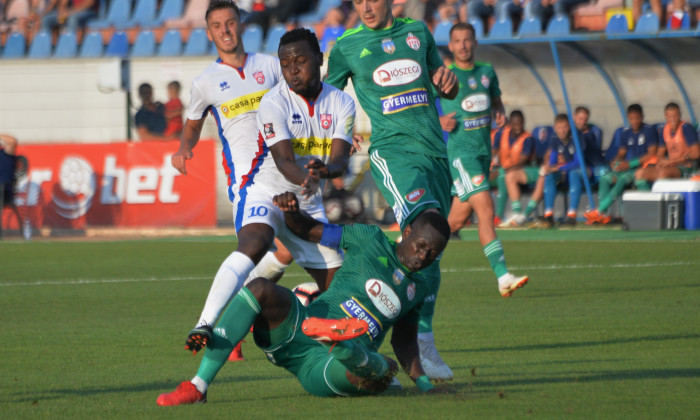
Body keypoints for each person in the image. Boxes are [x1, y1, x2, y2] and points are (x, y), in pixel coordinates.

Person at [171, 6, 355, 364]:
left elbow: (308, 101)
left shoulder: (273, 65)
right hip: (252, 178)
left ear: (242, 25)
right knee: (257, 241)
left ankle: (306, 323)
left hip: (299, 183)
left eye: (230, 23)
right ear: (209, 33)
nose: (225, 31)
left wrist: (337, 144)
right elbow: (192, 124)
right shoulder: (205, 82)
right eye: (216, 26)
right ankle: (208, 322)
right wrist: (183, 148)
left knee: (305, 264)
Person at [156, 191, 451, 405]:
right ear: (407, 232)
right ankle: (197, 387)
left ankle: (340, 344)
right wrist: (292, 212)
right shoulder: (369, 239)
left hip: (324, 368)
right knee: (260, 287)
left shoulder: (419, 288)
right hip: (302, 325)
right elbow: (310, 231)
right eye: (421, 246)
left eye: (432, 254)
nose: (423, 256)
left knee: (384, 369)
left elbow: (405, 341)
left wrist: (425, 386)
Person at [325, 0, 460, 381]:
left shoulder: (418, 33)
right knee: (423, 230)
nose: (365, 6)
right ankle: (421, 346)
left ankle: (370, 319)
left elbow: (444, 84)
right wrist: (339, 128)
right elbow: (326, 96)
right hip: (393, 151)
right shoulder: (347, 46)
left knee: (431, 244)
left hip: (435, 152)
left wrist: (450, 82)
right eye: (358, 1)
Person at [438, 23, 528, 294]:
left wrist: (499, 111)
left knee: (453, 222)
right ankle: (503, 277)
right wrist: (439, 119)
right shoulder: (444, 76)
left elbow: (496, 101)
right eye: (457, 41)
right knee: (486, 210)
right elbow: (419, 107)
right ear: (451, 45)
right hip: (461, 156)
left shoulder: (487, 72)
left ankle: (410, 264)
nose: (463, 45)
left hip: (482, 155)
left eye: (467, 40)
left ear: (475, 42)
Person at [584, 104, 659, 225]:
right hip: (628, 169)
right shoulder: (626, 133)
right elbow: (621, 153)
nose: (634, 121)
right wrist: (616, 162)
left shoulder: (649, 131)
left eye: (637, 118)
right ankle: (605, 216)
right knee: (604, 179)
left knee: (623, 179)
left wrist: (630, 164)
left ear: (642, 117)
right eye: (631, 119)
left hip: (642, 169)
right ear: (628, 118)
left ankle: (599, 211)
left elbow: (652, 154)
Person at [634, 102, 699, 188]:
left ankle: (665, 199)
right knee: (639, 173)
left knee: (663, 173)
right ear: (665, 117)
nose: (672, 119)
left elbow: (696, 153)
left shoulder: (686, 128)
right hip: (671, 166)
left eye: (675, 116)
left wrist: (671, 162)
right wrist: (660, 162)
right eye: (669, 117)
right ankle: (648, 200)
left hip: (687, 167)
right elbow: (660, 153)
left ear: (680, 115)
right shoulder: (664, 129)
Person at [495, 110, 542, 227]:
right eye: (515, 124)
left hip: (526, 170)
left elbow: (523, 161)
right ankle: (497, 216)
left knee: (503, 176)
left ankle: (504, 215)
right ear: (510, 123)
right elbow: (494, 152)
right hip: (504, 169)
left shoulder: (528, 138)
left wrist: (505, 169)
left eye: (520, 124)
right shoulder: (501, 134)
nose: (518, 127)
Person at [563, 105, 606, 225]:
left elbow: (588, 152)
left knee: (605, 175)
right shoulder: (568, 132)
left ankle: (601, 213)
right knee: (573, 173)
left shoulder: (591, 133)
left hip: (594, 168)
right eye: (580, 119)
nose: (582, 122)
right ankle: (571, 214)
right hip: (574, 167)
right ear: (574, 117)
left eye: (585, 119)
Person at [538, 113, 579, 227]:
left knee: (574, 173)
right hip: (563, 172)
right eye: (559, 128)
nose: (562, 131)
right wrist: (549, 168)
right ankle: (549, 214)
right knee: (549, 175)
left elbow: (577, 162)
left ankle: (572, 215)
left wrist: (560, 167)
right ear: (555, 128)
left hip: (576, 172)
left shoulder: (575, 138)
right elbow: (553, 161)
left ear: (569, 127)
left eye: (565, 127)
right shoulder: (554, 140)